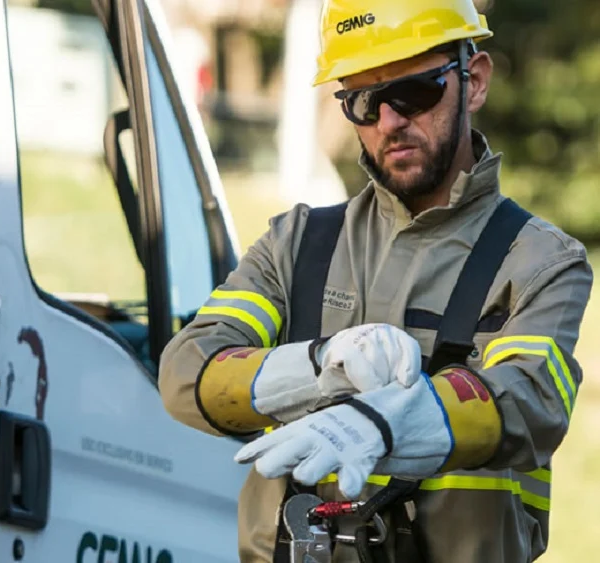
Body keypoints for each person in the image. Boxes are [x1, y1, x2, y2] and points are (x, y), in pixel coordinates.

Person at [157, 1, 593, 561]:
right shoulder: (298, 243)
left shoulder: (540, 262)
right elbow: (186, 370)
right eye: (363, 101)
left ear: (475, 81)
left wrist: (394, 423)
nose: (389, 121)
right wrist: (316, 367)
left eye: (415, 92)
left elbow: (532, 400)